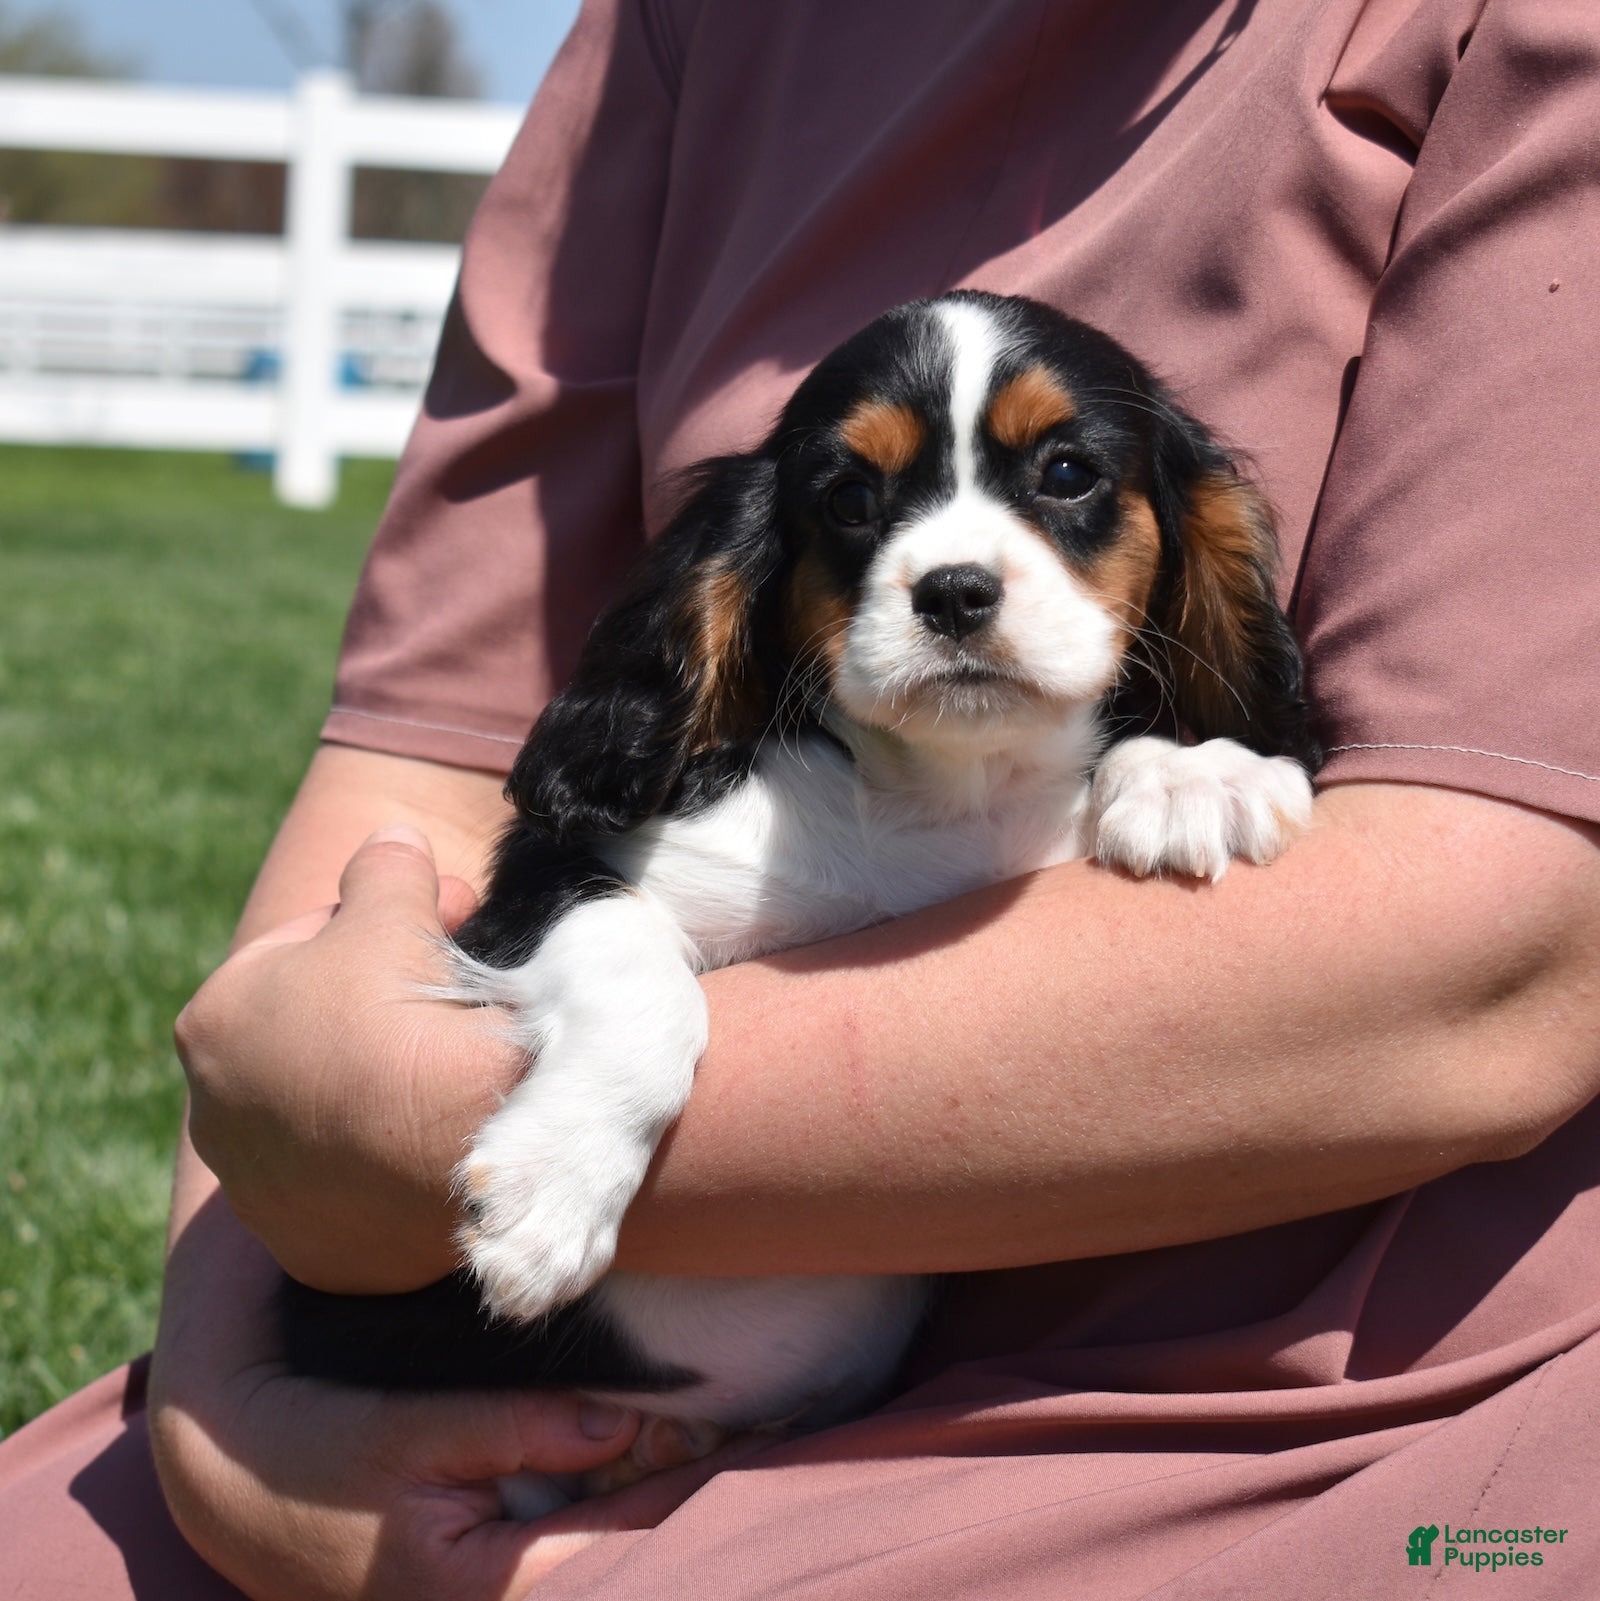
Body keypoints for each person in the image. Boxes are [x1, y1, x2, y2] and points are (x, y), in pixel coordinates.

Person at [5, 0, 1600, 1595]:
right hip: (469, 1389)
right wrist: (226, 1396)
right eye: (860, 496)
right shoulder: (758, 823)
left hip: (1256, 1424)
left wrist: (410, 1136)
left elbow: (1488, 950)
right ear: (764, 579)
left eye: (1062, 478)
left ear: (1191, 551)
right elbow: (519, 855)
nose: (958, 564)